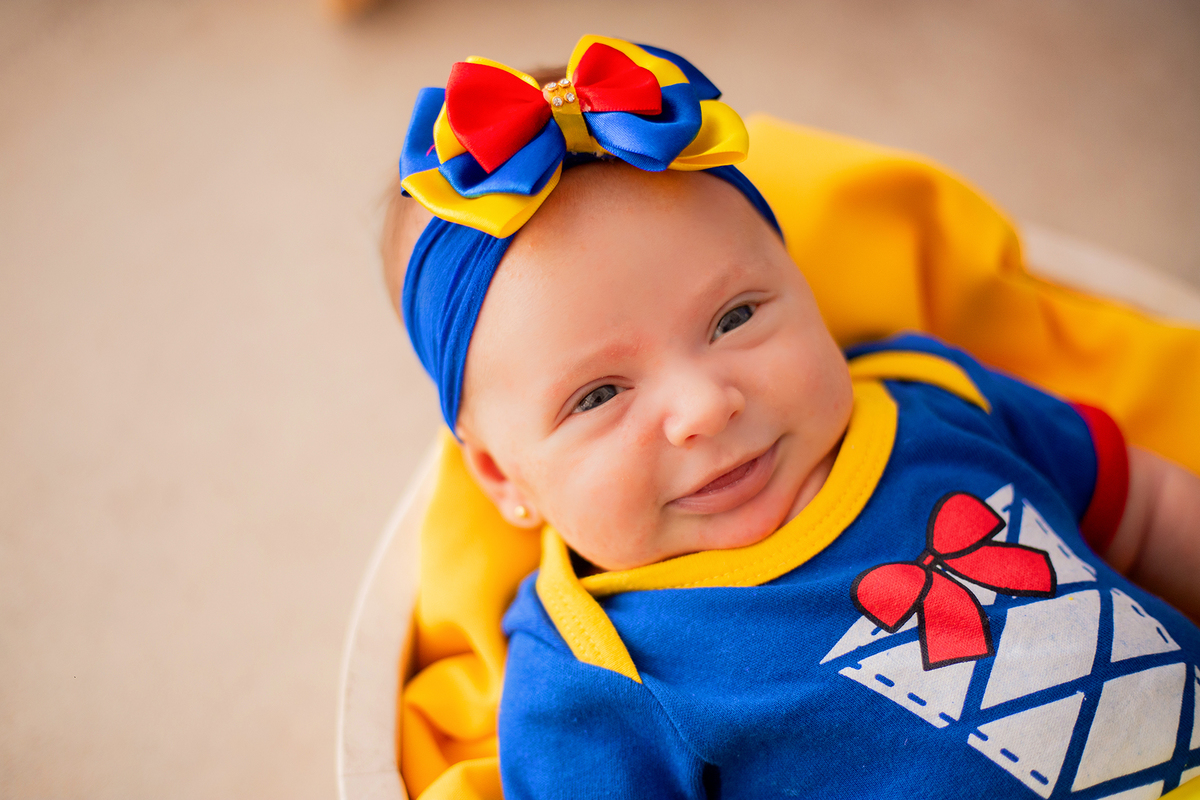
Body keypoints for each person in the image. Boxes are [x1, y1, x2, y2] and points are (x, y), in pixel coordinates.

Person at [384, 35, 1200, 799]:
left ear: (803, 286)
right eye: (598, 396)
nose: (705, 407)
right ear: (500, 475)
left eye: (735, 317)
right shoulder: (595, 674)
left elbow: (1148, 516)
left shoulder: (936, 396)